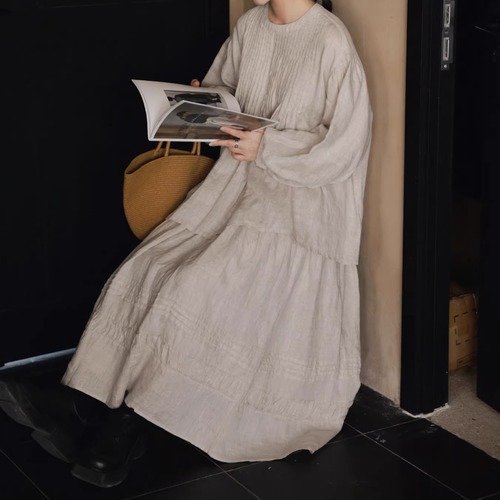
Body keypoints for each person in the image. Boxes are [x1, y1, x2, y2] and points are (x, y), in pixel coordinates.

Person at [0, 0, 372, 488]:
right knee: (150, 265)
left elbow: (344, 147)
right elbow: (226, 90)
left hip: (296, 212)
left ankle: (122, 430)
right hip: (234, 188)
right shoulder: (252, 26)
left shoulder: (330, 39)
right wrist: (202, 102)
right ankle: (83, 403)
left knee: (194, 284)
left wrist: (269, 147)